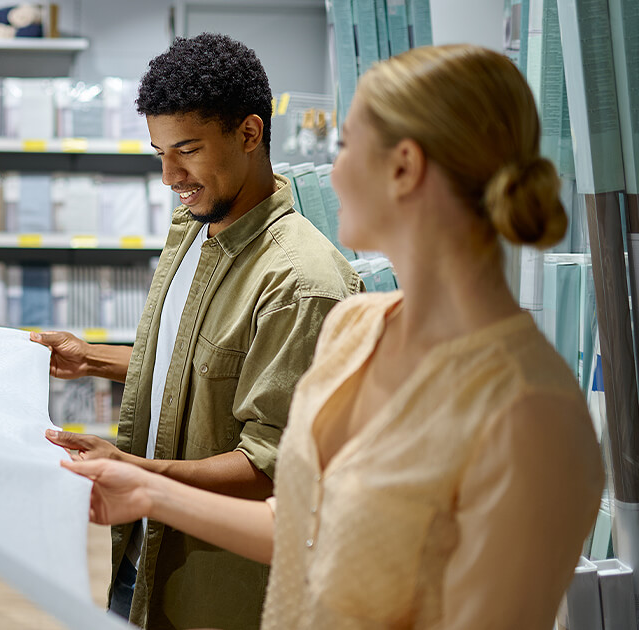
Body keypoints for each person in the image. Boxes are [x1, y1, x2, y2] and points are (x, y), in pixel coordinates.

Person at [61, 44, 605, 628]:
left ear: (405, 167)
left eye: (345, 147)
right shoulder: (360, 328)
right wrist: (145, 491)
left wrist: (149, 483)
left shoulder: (531, 409)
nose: (329, 172)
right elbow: (303, 526)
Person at [31, 34, 361, 629]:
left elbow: (272, 465)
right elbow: (194, 368)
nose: (168, 176)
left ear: (250, 134)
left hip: (216, 588)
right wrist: (92, 359)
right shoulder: (195, 228)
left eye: (186, 150)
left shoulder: (301, 285)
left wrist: (138, 477)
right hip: (143, 555)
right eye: (158, 151)